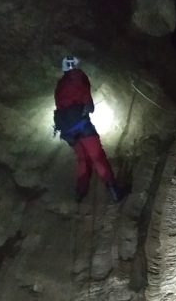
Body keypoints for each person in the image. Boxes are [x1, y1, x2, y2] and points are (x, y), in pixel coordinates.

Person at [53, 57, 127, 204]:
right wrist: (86, 107)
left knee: (82, 158)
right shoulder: (79, 78)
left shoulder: (60, 84)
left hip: (66, 130)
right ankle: (114, 192)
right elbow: (89, 105)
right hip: (82, 126)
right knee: (97, 156)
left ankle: (80, 192)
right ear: (73, 66)